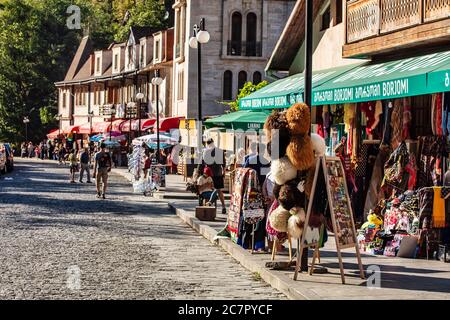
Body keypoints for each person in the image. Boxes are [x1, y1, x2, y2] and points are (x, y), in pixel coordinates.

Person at [202, 138, 226, 214]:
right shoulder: (220, 151)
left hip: (209, 174)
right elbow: (224, 164)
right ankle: (223, 206)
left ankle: (210, 202)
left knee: (216, 189)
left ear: (207, 143)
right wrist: (223, 172)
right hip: (218, 173)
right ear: (213, 142)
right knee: (218, 190)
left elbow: (203, 164)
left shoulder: (205, 151)